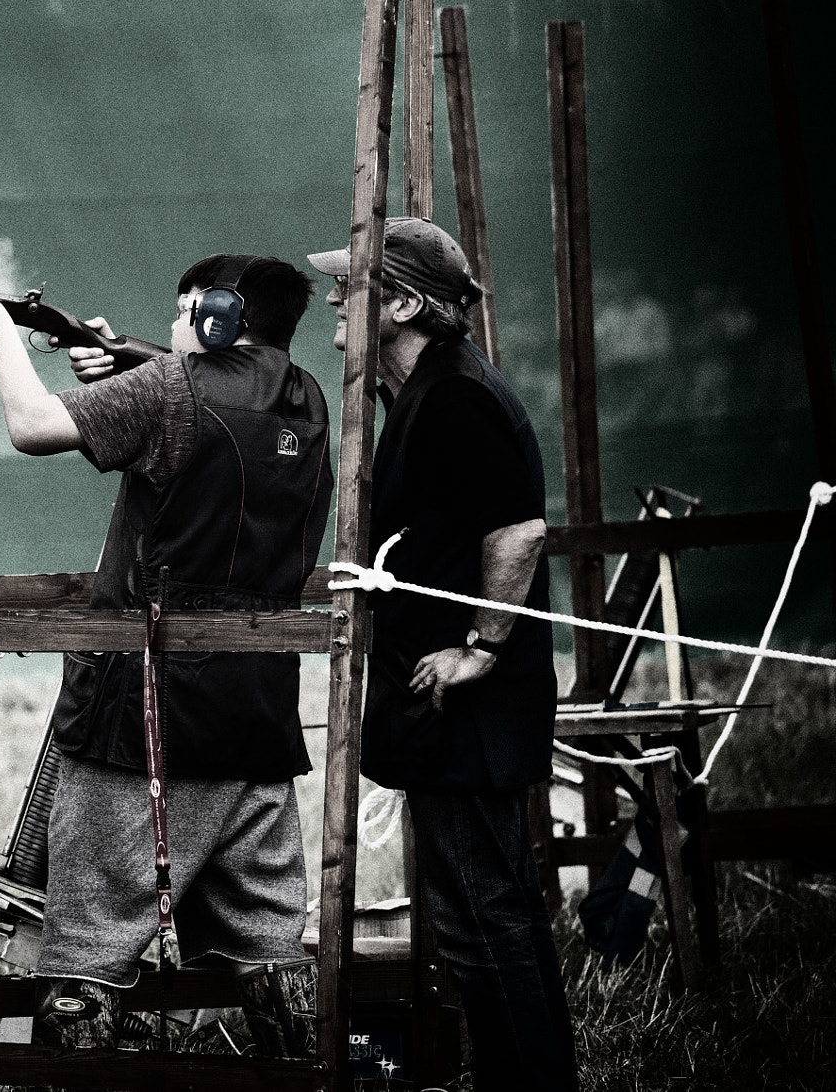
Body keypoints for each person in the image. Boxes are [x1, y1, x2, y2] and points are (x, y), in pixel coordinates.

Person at [0, 255, 332, 1055]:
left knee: (84, 970)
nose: (183, 323)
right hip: (254, 726)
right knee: (274, 961)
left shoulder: (171, 391)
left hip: (141, 726)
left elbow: (33, 425)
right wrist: (130, 355)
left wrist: (3, 334)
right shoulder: (309, 401)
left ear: (220, 315)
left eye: (189, 310)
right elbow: (221, 399)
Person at [308, 217, 577, 1091]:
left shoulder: (456, 393)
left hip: (467, 706)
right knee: (481, 910)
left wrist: (481, 648)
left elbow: (520, 528)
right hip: (442, 707)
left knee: (485, 913)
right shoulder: (421, 393)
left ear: (406, 302)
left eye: (353, 287)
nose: (336, 302)